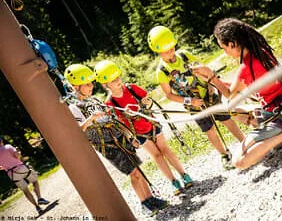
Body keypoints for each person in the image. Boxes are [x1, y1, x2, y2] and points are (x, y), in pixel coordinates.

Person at [192, 18, 282, 170]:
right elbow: (239, 88)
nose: (225, 52)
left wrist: (210, 76)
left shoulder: (246, 68)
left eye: (224, 48)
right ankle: (281, 136)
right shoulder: (261, 53)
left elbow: (230, 96)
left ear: (233, 44)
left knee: (239, 161)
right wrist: (213, 80)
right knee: (238, 113)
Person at [64, 64, 168, 216]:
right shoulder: (74, 107)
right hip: (107, 146)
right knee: (133, 172)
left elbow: (113, 120)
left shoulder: (94, 100)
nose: (91, 85)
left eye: (91, 82)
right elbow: (78, 130)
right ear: (75, 86)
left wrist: (129, 135)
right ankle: (144, 203)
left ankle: (151, 199)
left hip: (120, 138)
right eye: (87, 84)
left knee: (137, 169)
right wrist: (91, 118)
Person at [148, 26, 245, 170]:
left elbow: (203, 68)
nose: (170, 51)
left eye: (172, 47)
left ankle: (245, 141)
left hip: (208, 93)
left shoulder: (185, 55)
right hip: (193, 104)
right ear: (157, 51)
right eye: (166, 50)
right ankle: (224, 155)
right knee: (209, 129)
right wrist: (190, 101)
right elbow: (169, 95)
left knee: (226, 119)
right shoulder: (162, 72)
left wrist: (212, 85)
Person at [94, 60, 193, 196]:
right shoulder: (110, 103)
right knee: (157, 155)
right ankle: (173, 181)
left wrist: (141, 105)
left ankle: (184, 175)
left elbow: (148, 100)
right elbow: (119, 125)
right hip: (138, 134)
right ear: (105, 85)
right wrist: (130, 136)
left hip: (151, 125)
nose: (117, 81)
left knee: (165, 150)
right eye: (113, 80)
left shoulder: (131, 88)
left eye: (117, 77)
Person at [0, 135, 50, 215]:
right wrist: (18, 152)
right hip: (20, 168)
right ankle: (40, 198)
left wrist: (6, 165)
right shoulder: (7, 147)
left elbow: (1, 167)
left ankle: (37, 207)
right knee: (34, 181)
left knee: (25, 190)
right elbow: (18, 156)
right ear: (1, 141)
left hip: (12, 174)